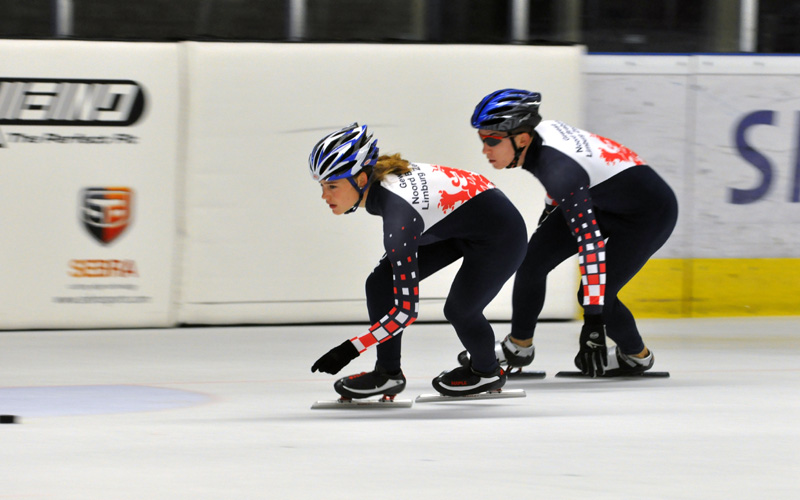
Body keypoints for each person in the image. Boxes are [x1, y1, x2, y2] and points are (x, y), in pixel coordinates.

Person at [467, 89, 678, 377]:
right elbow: (565, 181)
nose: (485, 150)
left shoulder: (558, 169)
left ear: (522, 139)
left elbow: (590, 246)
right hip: (601, 197)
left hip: (648, 214)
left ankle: (636, 355)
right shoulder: (538, 138)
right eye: (482, 140)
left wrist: (592, 325)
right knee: (530, 262)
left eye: (492, 140)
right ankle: (519, 346)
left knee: (599, 295)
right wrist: (546, 218)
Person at [308, 122, 528, 397]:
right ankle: (387, 374)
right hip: (458, 223)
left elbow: (405, 312)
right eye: (322, 185)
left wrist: (350, 348)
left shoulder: (399, 216)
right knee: (380, 283)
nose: (324, 196)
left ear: (362, 179)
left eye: (332, 186)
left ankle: (487, 372)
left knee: (461, 310)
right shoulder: (385, 187)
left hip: (501, 235)